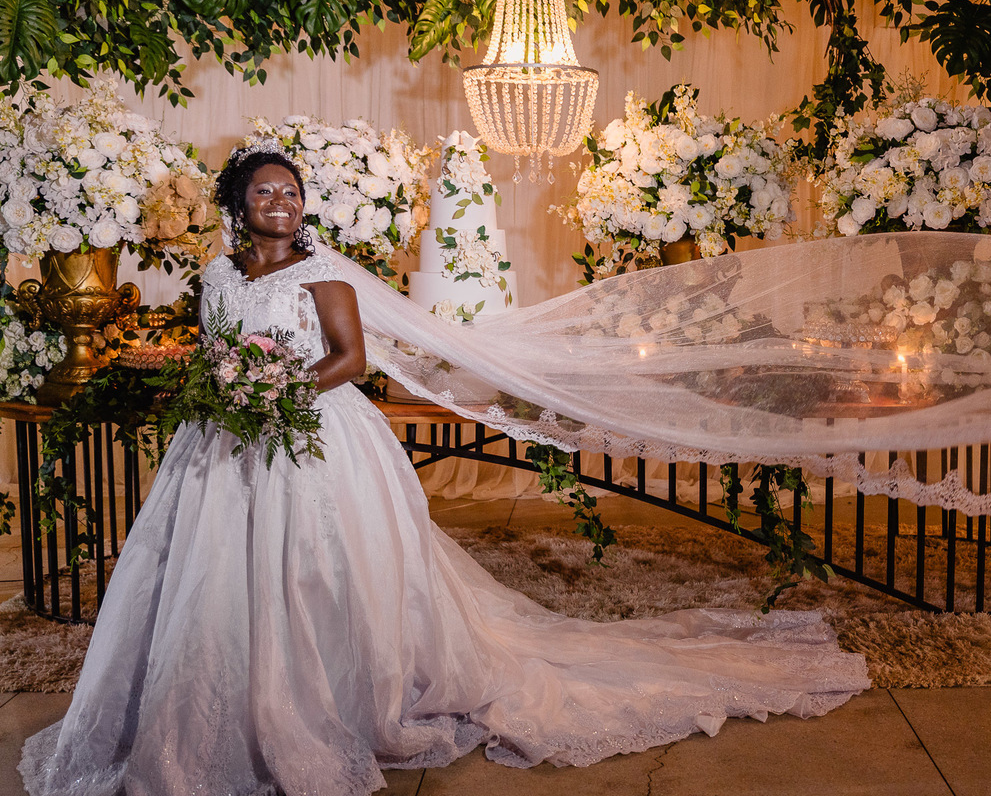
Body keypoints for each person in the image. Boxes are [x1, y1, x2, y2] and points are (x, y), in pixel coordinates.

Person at [19, 144, 869, 796]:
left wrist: (280, 392)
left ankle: (337, 700)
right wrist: (224, 390)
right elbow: (213, 353)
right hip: (226, 441)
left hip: (315, 432)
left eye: (291, 191)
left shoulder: (325, 273)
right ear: (238, 207)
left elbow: (349, 361)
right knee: (210, 582)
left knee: (323, 572)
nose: (280, 202)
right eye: (264, 192)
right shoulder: (215, 276)